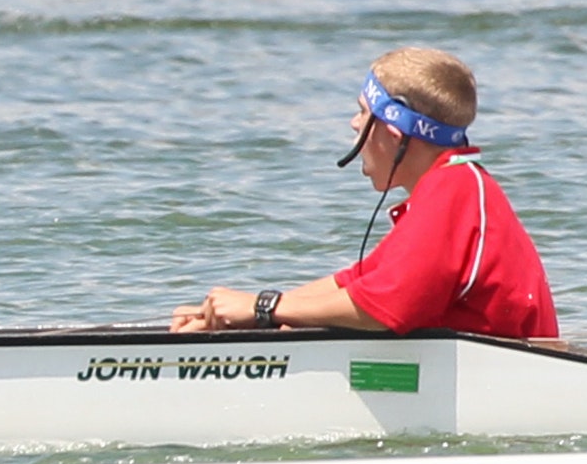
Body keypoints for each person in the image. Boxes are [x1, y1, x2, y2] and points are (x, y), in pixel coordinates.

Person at [169, 47, 556, 340]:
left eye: (362, 112)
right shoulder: (455, 185)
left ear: (394, 135)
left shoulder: (451, 192)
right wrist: (244, 314)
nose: (353, 123)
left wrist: (264, 308)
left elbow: (385, 306)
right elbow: (356, 283)